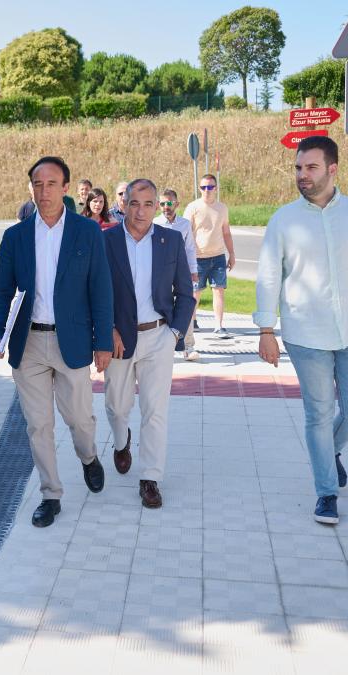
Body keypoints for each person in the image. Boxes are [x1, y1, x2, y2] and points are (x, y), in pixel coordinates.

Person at [254, 136, 348, 525]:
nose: (302, 175)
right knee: (318, 415)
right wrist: (266, 329)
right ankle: (326, 491)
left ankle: (329, 452)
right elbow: (269, 277)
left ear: (332, 169)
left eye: (311, 168)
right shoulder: (284, 219)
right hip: (306, 336)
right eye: (298, 168)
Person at [0, 156, 114, 528]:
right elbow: (2, 290)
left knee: (79, 419)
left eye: (51, 184)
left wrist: (103, 342)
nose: (44, 191)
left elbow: (101, 289)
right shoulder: (15, 237)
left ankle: (89, 457)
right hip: (28, 345)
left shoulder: (86, 232)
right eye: (37, 184)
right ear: (31, 189)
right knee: (38, 425)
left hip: (71, 341)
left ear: (66, 188)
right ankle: (50, 494)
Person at [102, 179, 195, 508]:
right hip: (118, 339)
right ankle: (121, 439)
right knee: (116, 406)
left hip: (159, 335)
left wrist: (174, 335)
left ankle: (150, 478)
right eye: (134, 203)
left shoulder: (171, 240)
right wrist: (106, 329)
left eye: (148, 204)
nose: (140, 211)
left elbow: (185, 293)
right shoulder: (107, 240)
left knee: (155, 410)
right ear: (123, 205)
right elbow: (96, 292)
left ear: (158, 206)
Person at [183, 174, 235, 336]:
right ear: (199, 189)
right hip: (197, 258)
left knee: (219, 290)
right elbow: (185, 233)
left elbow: (226, 232)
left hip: (218, 256)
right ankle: (192, 322)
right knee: (195, 292)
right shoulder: (192, 207)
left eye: (211, 187)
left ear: (216, 188)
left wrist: (232, 254)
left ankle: (219, 325)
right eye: (204, 187)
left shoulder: (222, 208)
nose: (207, 190)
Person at [153, 188, 200, 360]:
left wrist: (193, 270)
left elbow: (190, 249)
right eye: (163, 203)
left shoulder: (185, 224)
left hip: (181, 270)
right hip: (162, 271)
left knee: (186, 304)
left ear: (177, 204)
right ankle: (164, 343)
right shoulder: (155, 223)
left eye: (169, 203)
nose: (166, 206)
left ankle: (188, 345)